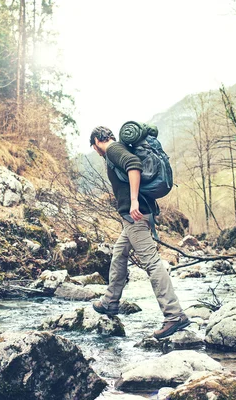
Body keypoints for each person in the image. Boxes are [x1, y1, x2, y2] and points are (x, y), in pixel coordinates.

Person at [89, 126, 190, 339]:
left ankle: (174, 314)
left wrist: (133, 200)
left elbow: (133, 166)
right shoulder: (118, 148)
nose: (96, 152)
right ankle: (110, 302)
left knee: (152, 263)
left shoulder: (113, 149)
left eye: (94, 147)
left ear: (98, 140)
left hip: (135, 215)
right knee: (119, 254)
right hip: (132, 217)